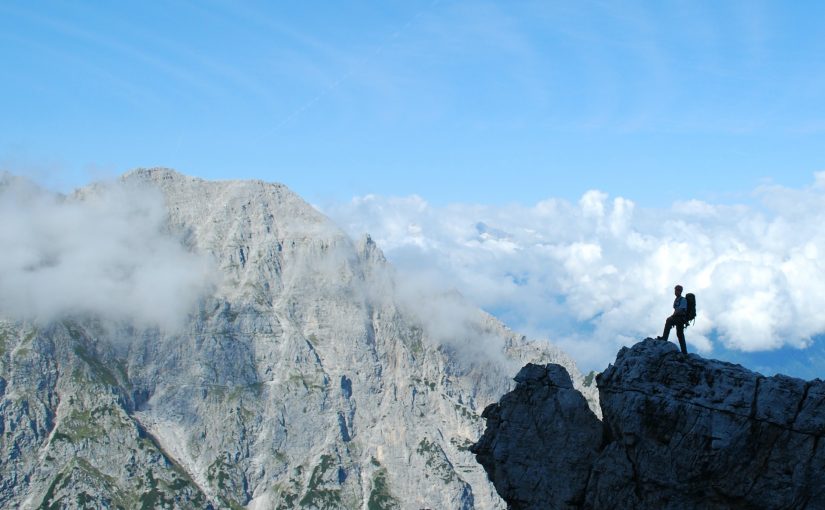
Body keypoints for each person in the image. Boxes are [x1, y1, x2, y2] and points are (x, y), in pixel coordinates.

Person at [657, 285, 688, 354]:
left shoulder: (683, 300)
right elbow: (676, 310)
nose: (676, 291)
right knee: (680, 334)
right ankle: (684, 351)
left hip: (681, 318)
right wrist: (673, 316)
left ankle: (664, 338)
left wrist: (673, 316)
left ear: (680, 291)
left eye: (677, 290)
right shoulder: (676, 300)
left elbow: (680, 310)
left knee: (669, 320)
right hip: (678, 317)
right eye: (675, 290)